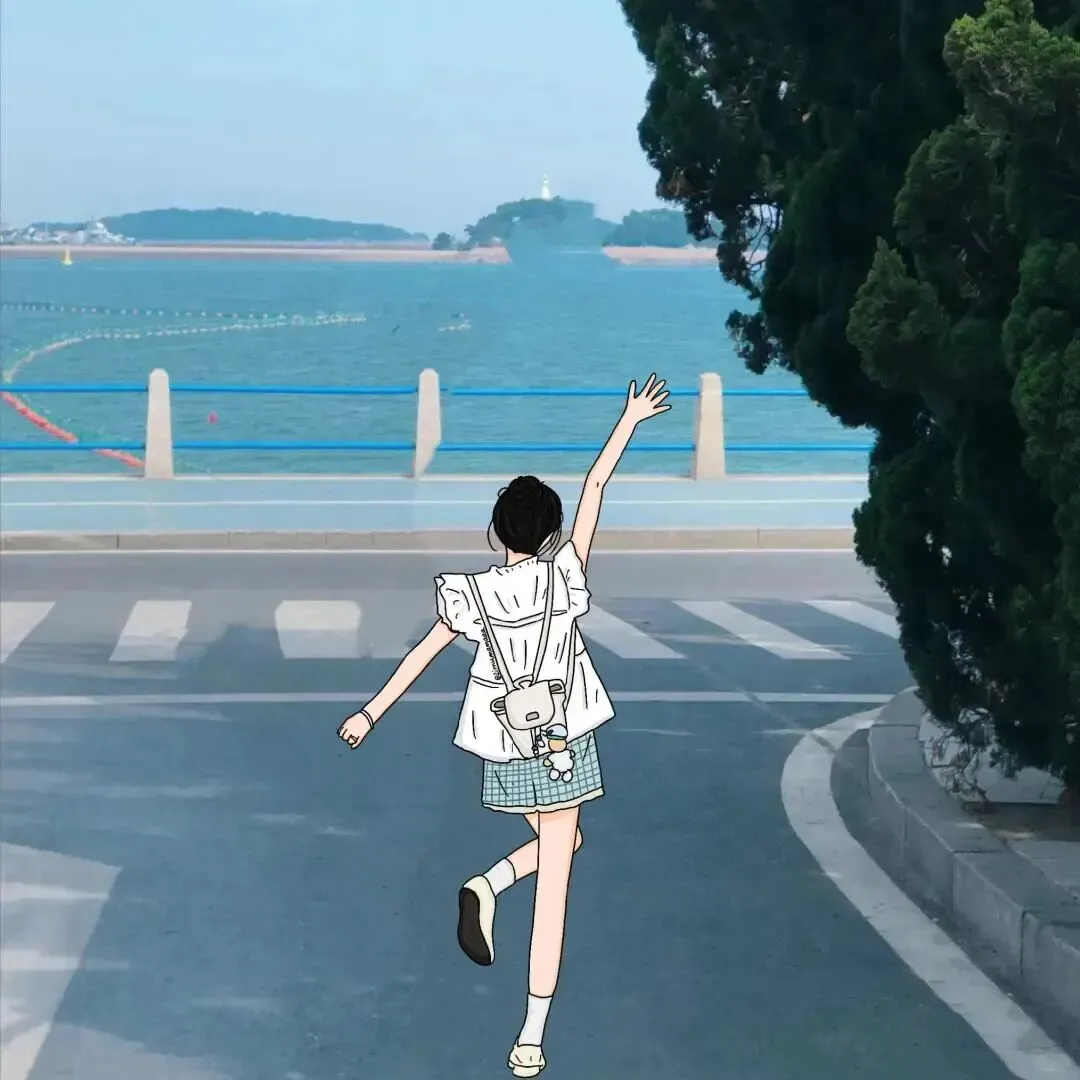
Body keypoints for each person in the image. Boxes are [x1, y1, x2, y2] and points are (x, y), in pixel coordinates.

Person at [336, 374, 671, 1076]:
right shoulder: (565, 575)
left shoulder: (473, 595)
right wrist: (630, 419)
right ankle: (530, 1036)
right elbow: (596, 486)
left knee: (563, 842)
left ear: (496, 532)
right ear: (552, 533)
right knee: (556, 883)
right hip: (565, 739)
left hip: (508, 745)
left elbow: (423, 654)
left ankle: (487, 886)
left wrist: (370, 713)